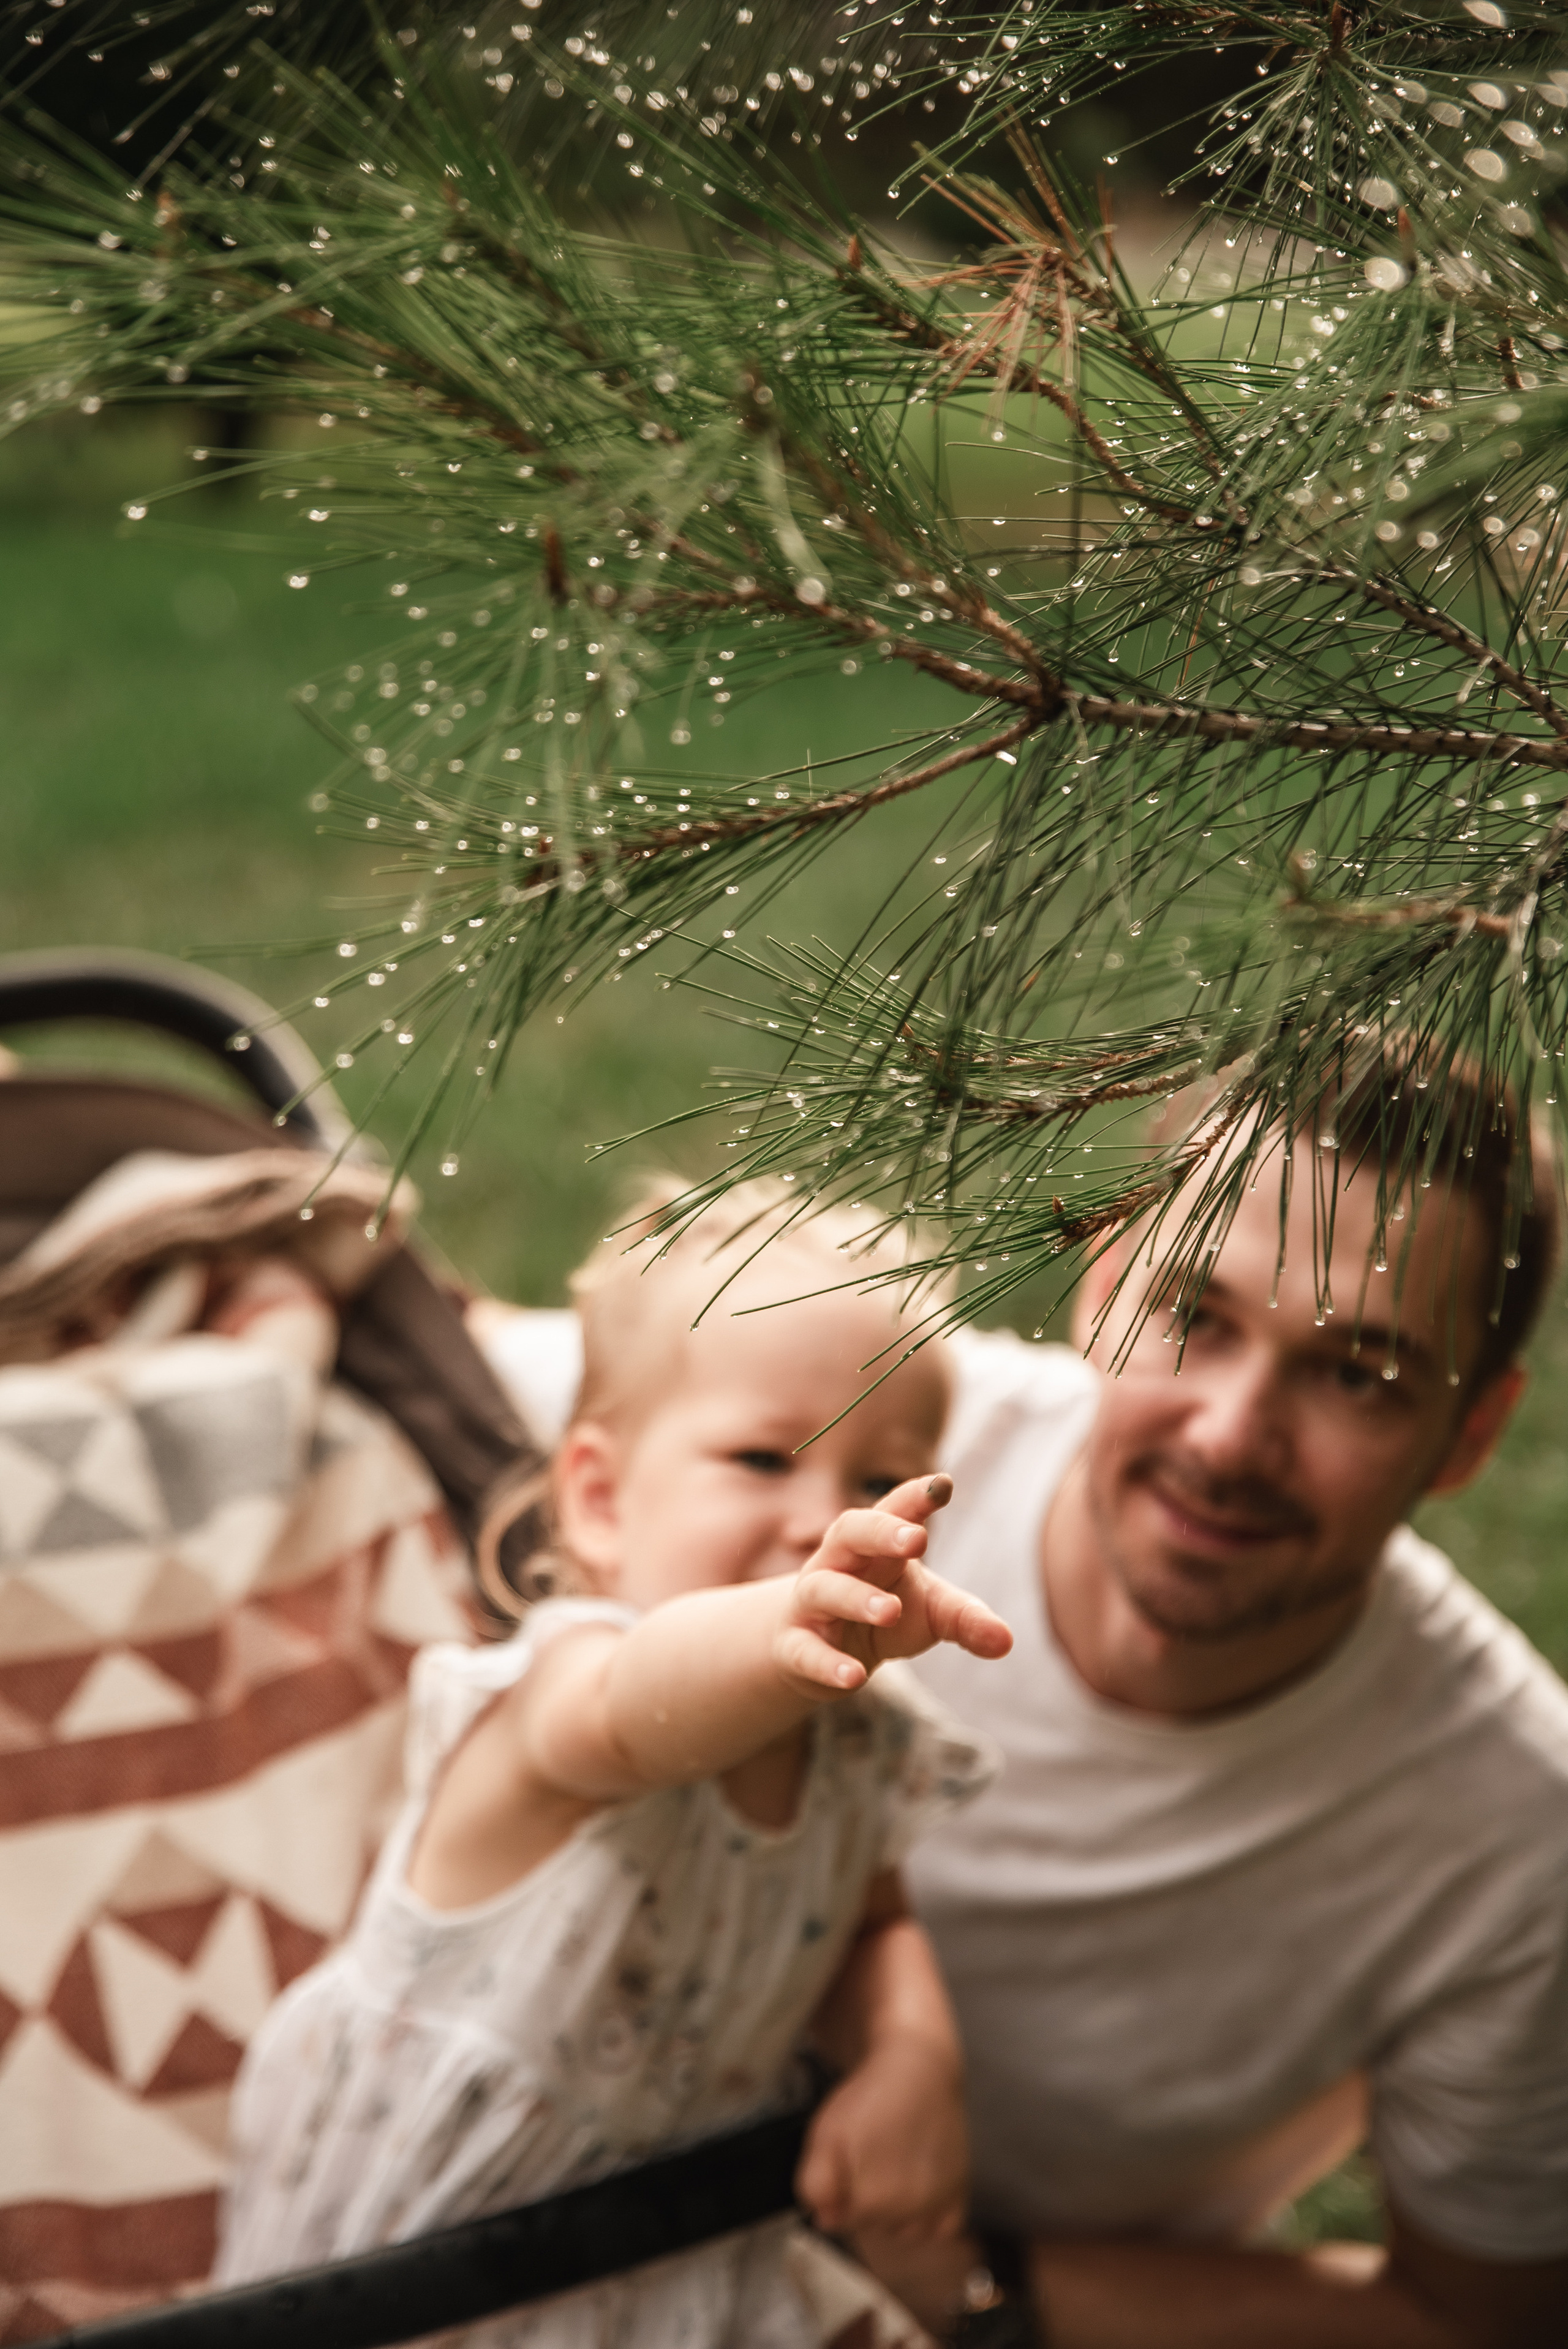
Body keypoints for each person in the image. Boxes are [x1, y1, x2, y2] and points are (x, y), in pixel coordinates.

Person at [479, 1053, 1568, 2349]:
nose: (1227, 1436)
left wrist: (968, 2293)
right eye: (1195, 1315)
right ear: (1103, 1285)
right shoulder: (856, 1426)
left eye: (1358, 1375)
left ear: (1467, 1435)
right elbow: (458, 1354)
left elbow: (1473, 2319)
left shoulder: (1512, 1834)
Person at [214, 1184, 1013, 2348]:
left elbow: (873, 1921)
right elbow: (651, 1713)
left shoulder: (863, 1737)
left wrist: (913, 2054)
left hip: (676, 2257)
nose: (818, 1519)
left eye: (873, 1479)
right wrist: (781, 1627)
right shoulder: (564, 1690)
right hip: (424, 2269)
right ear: (596, 1497)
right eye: (758, 1457)